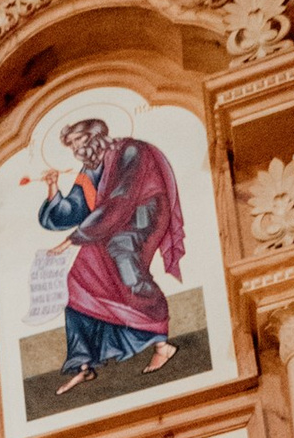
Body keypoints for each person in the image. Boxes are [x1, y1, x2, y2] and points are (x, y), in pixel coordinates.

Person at [38, 114, 185, 392]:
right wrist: (53, 188)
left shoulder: (131, 151)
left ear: (95, 135)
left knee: (125, 261)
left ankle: (162, 342)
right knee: (79, 278)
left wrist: (75, 239)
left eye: (79, 141)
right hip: (107, 225)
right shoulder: (91, 169)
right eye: (72, 145)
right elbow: (74, 209)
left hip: (142, 216)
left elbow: (122, 198)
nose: (76, 149)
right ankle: (84, 363)